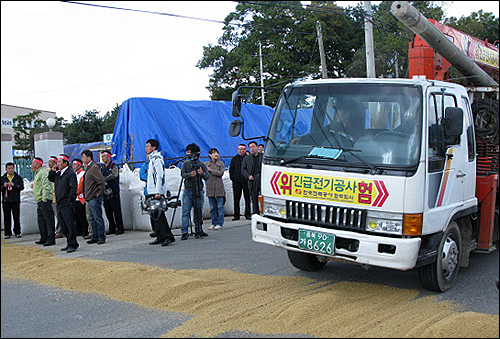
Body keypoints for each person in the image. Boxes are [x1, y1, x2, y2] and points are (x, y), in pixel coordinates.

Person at [145, 139, 175, 246]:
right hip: (151, 190)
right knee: (154, 215)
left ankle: (168, 236)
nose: (146, 148)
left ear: (154, 147)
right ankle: (160, 236)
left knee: (159, 215)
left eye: (148, 146)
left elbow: (159, 176)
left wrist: (158, 191)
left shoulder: (157, 159)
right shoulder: (151, 160)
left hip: (156, 191)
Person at [48, 154, 79, 253]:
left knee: (69, 224)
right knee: (63, 224)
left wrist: (70, 200)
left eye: (60, 162)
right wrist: (53, 170)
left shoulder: (70, 174)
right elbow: (50, 178)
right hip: (59, 202)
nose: (58, 164)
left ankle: (73, 243)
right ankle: (69, 242)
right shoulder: (58, 174)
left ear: (65, 163)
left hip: (67, 202)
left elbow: (73, 188)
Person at [181, 143, 209, 240]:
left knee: (198, 211)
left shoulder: (201, 164)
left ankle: (199, 229)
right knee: (185, 211)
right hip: (188, 190)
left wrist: (202, 174)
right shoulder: (185, 164)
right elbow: (183, 175)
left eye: (189, 152)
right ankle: (184, 231)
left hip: (198, 190)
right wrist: (189, 174)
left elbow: (207, 177)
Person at [81, 149, 106, 245]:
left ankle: (101, 236)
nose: (82, 159)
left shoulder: (94, 168)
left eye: (83, 157)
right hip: (89, 197)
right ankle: (94, 236)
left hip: (94, 197)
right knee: (91, 218)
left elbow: (101, 181)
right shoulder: (88, 168)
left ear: (89, 157)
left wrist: (99, 192)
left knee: (97, 217)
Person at [31, 157, 56, 246]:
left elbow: (46, 186)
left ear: (38, 165)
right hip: (39, 200)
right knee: (41, 220)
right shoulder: (37, 173)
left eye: (33, 164)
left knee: (48, 220)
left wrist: (44, 199)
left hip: (44, 200)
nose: (31, 165)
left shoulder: (43, 172)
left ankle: (51, 238)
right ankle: (43, 237)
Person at [100, 150, 124, 235]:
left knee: (116, 209)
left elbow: (114, 175)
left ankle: (120, 227)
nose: (103, 158)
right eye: (102, 156)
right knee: (108, 210)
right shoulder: (102, 167)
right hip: (105, 191)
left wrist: (103, 179)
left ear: (109, 157)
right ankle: (112, 227)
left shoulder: (113, 166)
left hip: (113, 190)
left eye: (105, 156)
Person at [1, 162, 24, 239]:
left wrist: (14, 185)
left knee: (16, 217)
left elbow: (21, 187)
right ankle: (7, 233)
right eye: (9, 168)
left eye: (12, 168)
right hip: (6, 200)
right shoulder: (3, 178)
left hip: (15, 200)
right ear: (6, 169)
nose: (10, 170)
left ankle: (17, 232)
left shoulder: (18, 178)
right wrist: (4, 186)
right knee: (7, 217)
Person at [229, 144, 251, 221]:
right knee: (236, 199)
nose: (240, 151)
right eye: (239, 149)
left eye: (242, 149)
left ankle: (247, 214)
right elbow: (231, 170)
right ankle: (236, 215)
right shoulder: (234, 159)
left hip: (246, 181)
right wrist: (234, 179)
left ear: (245, 150)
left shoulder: (248, 158)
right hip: (237, 182)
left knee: (247, 198)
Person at [205, 148, 225, 230]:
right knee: (212, 207)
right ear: (210, 155)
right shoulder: (206, 164)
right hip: (210, 188)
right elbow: (204, 174)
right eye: (213, 153)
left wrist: (212, 170)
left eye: (217, 152)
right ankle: (213, 222)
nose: (215, 154)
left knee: (220, 206)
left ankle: (220, 223)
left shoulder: (221, 163)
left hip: (219, 187)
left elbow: (221, 173)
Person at [241, 141, 263, 215]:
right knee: (254, 198)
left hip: (262, 178)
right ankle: (256, 213)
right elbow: (243, 169)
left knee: (264, 197)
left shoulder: (263, 156)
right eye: (250, 147)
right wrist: (248, 176)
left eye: (253, 146)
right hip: (253, 179)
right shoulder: (247, 158)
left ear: (257, 147)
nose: (252, 149)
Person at [72, 159, 89, 238]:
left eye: (75, 165)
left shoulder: (82, 174)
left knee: (82, 216)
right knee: (76, 216)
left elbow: (80, 186)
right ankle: (79, 230)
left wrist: (75, 192)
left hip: (81, 197)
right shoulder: (75, 174)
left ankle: (85, 230)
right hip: (76, 198)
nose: (73, 166)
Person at [139, 159, 156, 238]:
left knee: (158, 211)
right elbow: (142, 176)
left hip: (156, 191)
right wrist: (150, 176)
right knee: (151, 212)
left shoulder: (157, 162)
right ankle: (154, 229)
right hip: (148, 192)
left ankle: (159, 229)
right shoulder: (145, 165)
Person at [48, 156, 63, 239]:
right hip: (50, 196)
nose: (50, 163)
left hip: (57, 196)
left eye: (52, 162)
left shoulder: (59, 173)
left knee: (58, 215)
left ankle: (59, 231)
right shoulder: (49, 172)